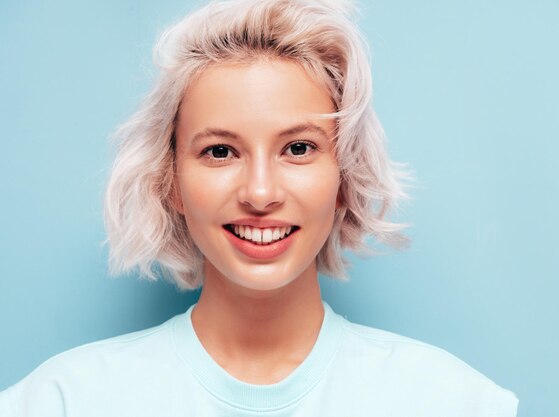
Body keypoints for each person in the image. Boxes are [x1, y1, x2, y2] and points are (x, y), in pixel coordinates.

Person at [0, 0, 518, 415]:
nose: (261, 192)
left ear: (344, 178)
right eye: (219, 151)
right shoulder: (61, 402)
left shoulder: (453, 402)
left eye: (298, 148)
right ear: (170, 182)